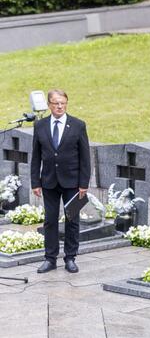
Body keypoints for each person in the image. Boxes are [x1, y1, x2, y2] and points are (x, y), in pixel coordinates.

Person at [30, 89, 91, 274]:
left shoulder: (78, 125)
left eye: (63, 103)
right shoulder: (40, 126)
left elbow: (85, 157)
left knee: (72, 220)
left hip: (73, 183)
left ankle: (70, 257)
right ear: (49, 105)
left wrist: (84, 184)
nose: (59, 106)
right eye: (56, 103)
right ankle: (50, 258)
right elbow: (36, 156)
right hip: (48, 182)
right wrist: (35, 182)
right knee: (50, 220)